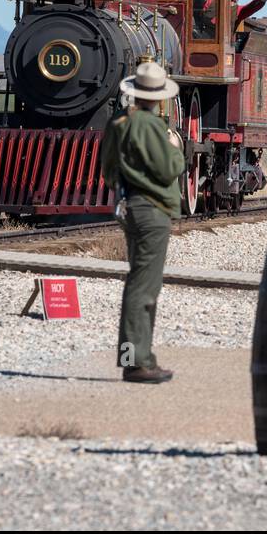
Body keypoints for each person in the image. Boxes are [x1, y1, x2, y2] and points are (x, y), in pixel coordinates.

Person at [101, 61, 186, 384]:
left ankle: (138, 358)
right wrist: (176, 149)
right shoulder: (150, 126)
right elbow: (169, 169)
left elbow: (108, 170)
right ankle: (136, 362)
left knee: (137, 282)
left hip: (130, 206)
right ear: (159, 97)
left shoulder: (118, 122)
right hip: (152, 209)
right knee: (144, 286)